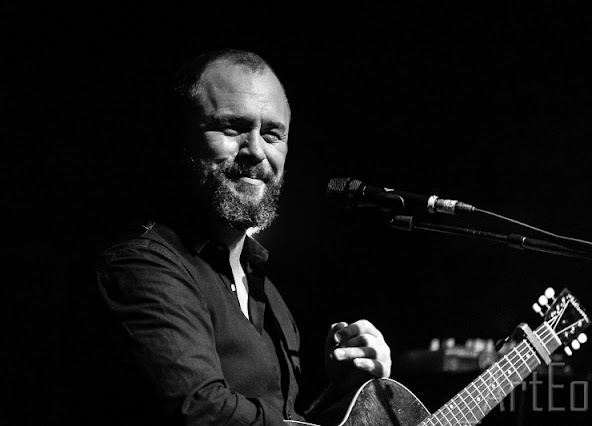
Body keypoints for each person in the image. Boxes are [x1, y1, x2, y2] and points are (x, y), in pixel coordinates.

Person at [94, 48, 392, 425]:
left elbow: (284, 416)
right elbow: (201, 410)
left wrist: (346, 392)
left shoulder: (267, 291)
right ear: (180, 136)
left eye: (272, 134)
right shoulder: (141, 266)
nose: (256, 151)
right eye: (233, 127)